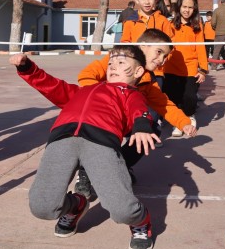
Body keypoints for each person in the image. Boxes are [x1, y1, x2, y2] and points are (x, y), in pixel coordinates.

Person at [12, 45, 159, 249]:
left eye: (121, 63)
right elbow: (53, 87)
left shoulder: (130, 94)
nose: (112, 66)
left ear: (138, 71)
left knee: (123, 211)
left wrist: (142, 126)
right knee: (41, 207)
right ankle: (76, 205)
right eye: (110, 63)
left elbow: (139, 109)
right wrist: (27, 68)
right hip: (62, 140)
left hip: (101, 144)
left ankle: (140, 221)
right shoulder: (84, 90)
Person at [77, 28, 196, 191]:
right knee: (102, 137)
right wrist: (106, 96)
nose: (162, 60)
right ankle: (85, 171)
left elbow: (164, 104)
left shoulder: (147, 79)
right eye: (159, 52)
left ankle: (121, 166)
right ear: (143, 45)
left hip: (124, 120)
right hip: (100, 117)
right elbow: (86, 75)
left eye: (165, 56)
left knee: (151, 130)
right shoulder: (117, 59)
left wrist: (184, 122)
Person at [163, 0, 208, 130]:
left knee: (190, 97)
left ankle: (189, 115)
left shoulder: (197, 26)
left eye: (190, 7)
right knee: (173, 97)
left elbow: (201, 48)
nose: (187, 10)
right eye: (184, 7)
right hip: (171, 68)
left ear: (194, 9)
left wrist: (203, 70)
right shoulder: (170, 24)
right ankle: (179, 122)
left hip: (190, 68)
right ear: (179, 7)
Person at [121, 0, 175, 87]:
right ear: (136, 0)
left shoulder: (163, 21)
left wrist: (164, 58)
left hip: (157, 71)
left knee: (155, 96)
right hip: (136, 70)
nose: (147, 2)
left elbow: (172, 44)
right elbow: (125, 43)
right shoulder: (129, 22)